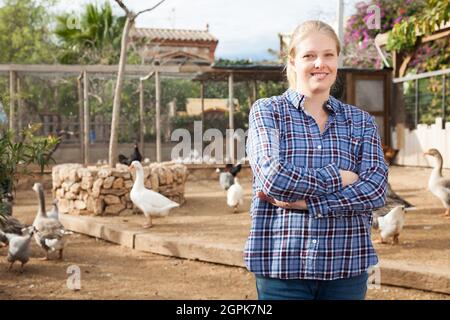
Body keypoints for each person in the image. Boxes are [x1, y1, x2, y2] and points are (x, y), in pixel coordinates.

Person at [245, 20, 388, 300]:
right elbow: (274, 179)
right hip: (282, 266)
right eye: (309, 55)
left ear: (337, 60)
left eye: (328, 55)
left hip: (346, 265)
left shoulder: (361, 121)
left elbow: (376, 189)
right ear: (293, 61)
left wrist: (310, 203)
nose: (319, 63)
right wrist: (341, 178)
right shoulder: (268, 112)